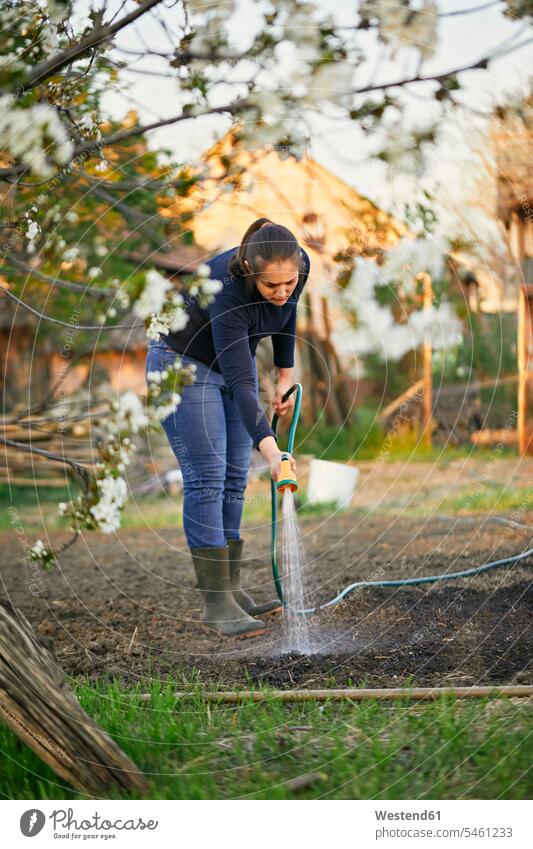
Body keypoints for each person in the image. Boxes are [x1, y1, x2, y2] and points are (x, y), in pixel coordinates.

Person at [145, 218, 311, 636]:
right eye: (271, 285)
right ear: (251, 273)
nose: (282, 291)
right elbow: (241, 383)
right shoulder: (226, 290)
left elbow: (285, 314)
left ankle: (232, 590)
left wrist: (285, 373)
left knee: (236, 476)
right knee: (207, 477)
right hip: (180, 362)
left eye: (289, 282)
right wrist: (273, 453)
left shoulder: (297, 267)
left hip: (227, 363)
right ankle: (215, 603)